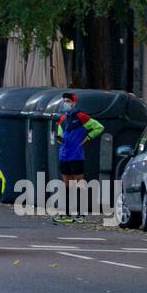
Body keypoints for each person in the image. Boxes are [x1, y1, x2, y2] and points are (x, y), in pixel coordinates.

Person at [54, 92, 104, 224]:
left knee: (79, 184)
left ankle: (81, 214)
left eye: (68, 101)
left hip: (76, 154)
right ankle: (67, 214)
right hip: (64, 154)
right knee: (66, 185)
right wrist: (60, 139)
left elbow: (99, 127)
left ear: (74, 103)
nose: (65, 103)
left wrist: (87, 138)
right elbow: (60, 135)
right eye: (64, 101)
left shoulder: (82, 117)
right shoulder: (62, 119)